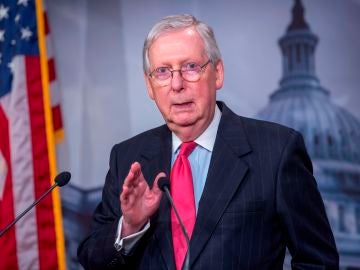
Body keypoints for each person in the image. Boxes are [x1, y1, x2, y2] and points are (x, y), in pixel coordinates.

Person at [77, 14, 339, 269]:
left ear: (218, 73)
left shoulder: (277, 150)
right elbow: (92, 259)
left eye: (190, 67)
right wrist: (130, 227)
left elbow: (318, 261)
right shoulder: (127, 157)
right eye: (163, 71)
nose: (177, 84)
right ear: (149, 85)